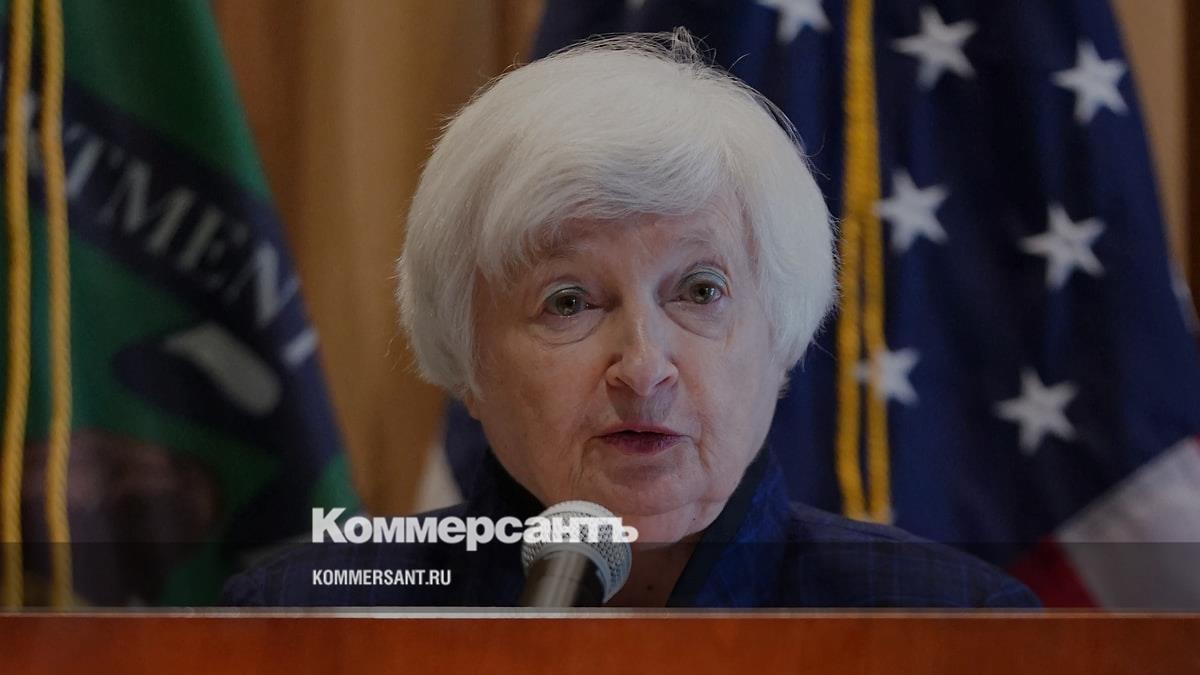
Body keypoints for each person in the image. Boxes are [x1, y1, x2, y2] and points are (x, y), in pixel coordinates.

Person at [223, 30, 1038, 608]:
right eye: (568, 302)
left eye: (701, 292)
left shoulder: (957, 627)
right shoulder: (303, 620)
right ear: (467, 360)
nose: (644, 368)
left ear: (780, 338)